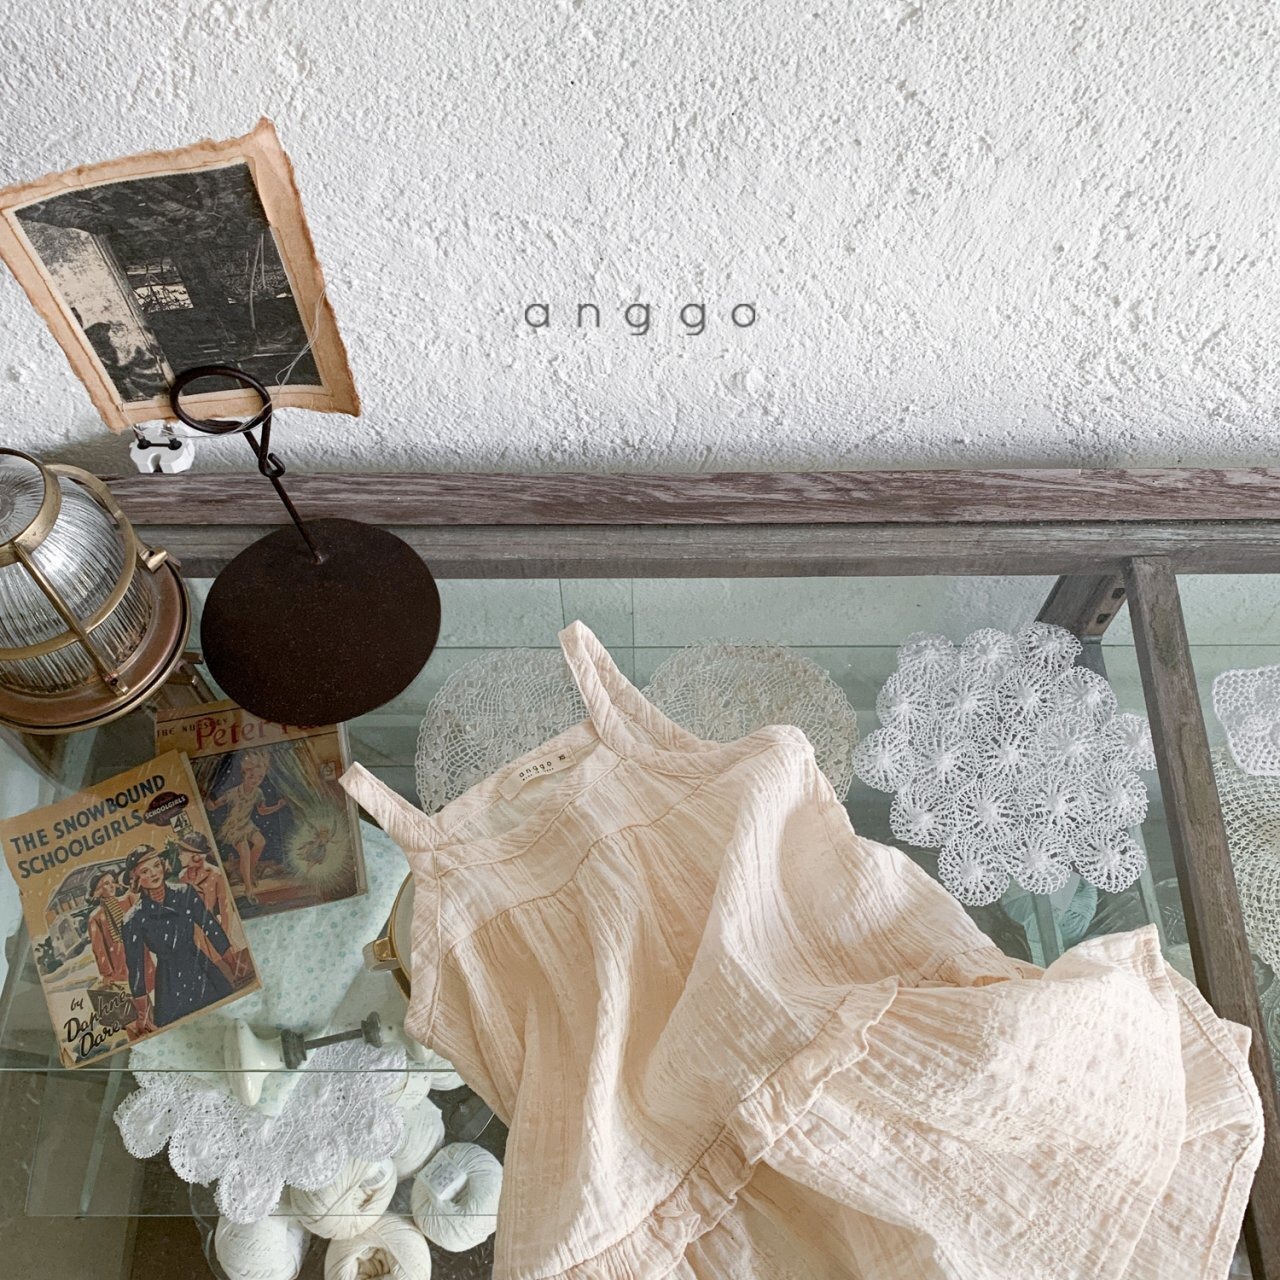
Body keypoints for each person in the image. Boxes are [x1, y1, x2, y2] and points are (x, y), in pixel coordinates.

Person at [121, 843, 249, 1031]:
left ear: (163, 864)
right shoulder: (133, 919)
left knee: (227, 1014)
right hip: (170, 983)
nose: (154, 873)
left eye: (156, 865)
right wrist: (143, 1013)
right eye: (145, 871)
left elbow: (210, 927)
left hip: (200, 968)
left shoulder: (185, 893)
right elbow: (136, 968)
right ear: (136, 878)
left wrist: (233, 963)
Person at [207, 749, 288, 903]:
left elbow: (262, 811)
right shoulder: (234, 792)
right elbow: (217, 804)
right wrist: (210, 804)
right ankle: (248, 888)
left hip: (246, 825)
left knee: (261, 842)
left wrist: (277, 806)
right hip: (234, 827)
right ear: (244, 774)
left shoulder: (258, 793)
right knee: (244, 852)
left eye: (260, 777)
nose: (255, 780)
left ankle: (249, 872)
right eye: (251, 776)